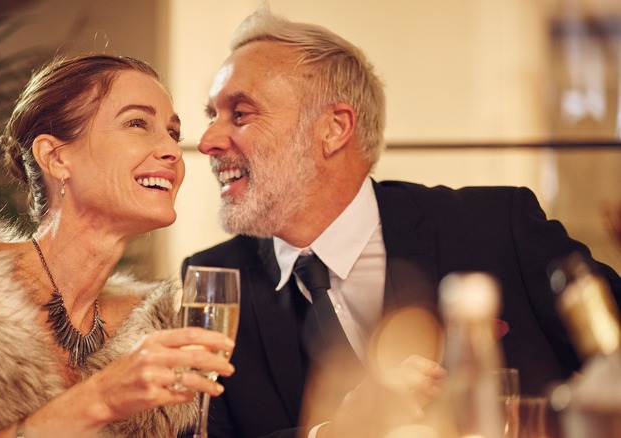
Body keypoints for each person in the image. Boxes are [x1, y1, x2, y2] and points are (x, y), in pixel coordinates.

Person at [181, 6, 621, 438]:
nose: (207, 142)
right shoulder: (212, 285)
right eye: (211, 116)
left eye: (240, 114)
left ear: (334, 129)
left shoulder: (496, 228)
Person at [0, 54, 235, 437]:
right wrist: (98, 400)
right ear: (55, 157)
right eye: (137, 123)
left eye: (173, 132)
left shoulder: (154, 331)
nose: (171, 150)